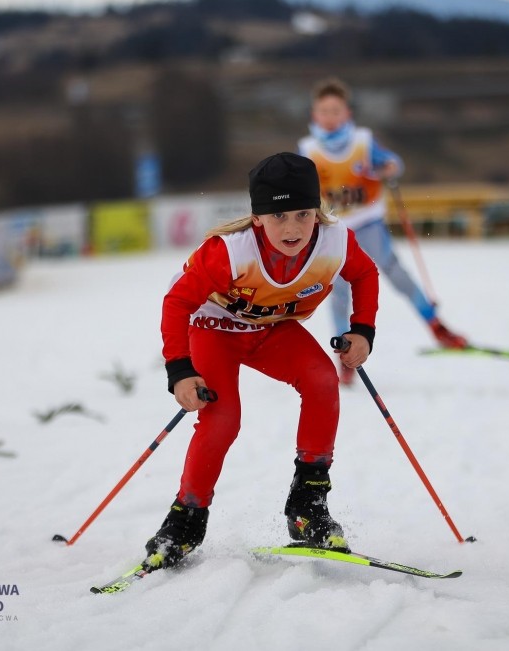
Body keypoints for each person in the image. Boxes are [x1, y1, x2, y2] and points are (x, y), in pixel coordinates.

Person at [144, 152, 380, 571]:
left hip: (270, 330)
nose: (292, 228)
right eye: (279, 217)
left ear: (317, 211)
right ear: (257, 218)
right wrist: (180, 370)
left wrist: (362, 329)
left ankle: (307, 504)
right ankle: (185, 520)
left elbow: (364, 274)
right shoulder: (230, 252)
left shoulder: (334, 242)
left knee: (322, 380)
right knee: (223, 418)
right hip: (214, 329)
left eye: (303, 214)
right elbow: (177, 302)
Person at [298, 77, 468, 385]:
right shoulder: (308, 149)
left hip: (368, 223)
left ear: (347, 113)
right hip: (334, 230)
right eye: (324, 111)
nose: (330, 117)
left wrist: (388, 167)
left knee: (394, 273)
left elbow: (392, 162)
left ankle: (436, 326)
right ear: (315, 115)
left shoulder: (361, 141)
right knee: (338, 291)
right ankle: (344, 352)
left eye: (336, 111)